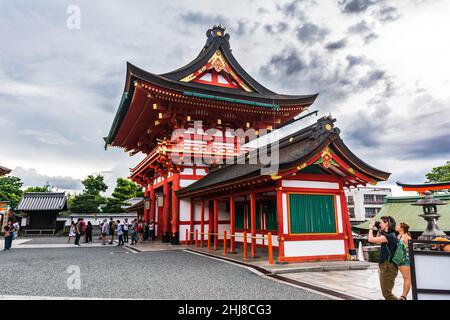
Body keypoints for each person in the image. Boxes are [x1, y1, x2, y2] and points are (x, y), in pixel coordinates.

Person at [368, 216, 398, 300]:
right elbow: (378, 236)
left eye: (381, 222)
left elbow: (371, 239)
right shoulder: (389, 235)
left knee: (387, 294)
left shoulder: (389, 236)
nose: (379, 224)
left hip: (388, 266)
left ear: (387, 223)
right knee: (386, 293)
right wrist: (378, 227)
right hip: (385, 266)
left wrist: (371, 228)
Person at [396, 222, 412, 300]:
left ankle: (403, 296)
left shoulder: (406, 237)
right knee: (405, 278)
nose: (396, 226)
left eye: (398, 225)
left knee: (407, 278)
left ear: (402, 228)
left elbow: (409, 249)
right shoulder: (400, 236)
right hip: (401, 260)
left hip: (405, 260)